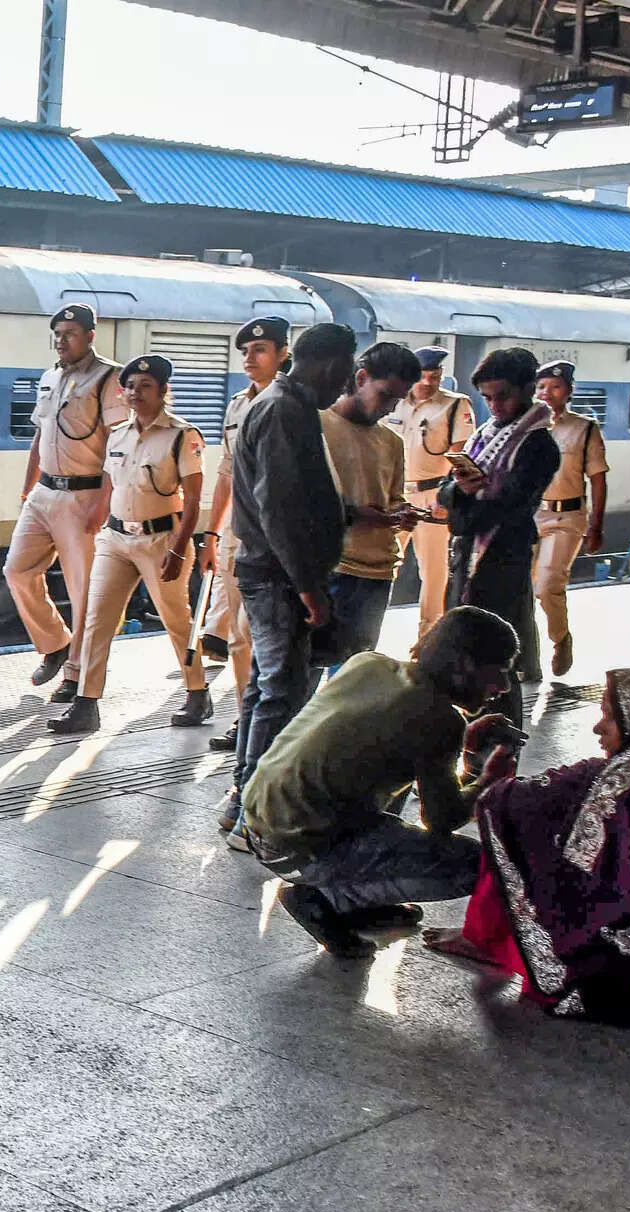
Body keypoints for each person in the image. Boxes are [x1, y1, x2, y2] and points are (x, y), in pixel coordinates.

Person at [428, 667, 630, 1067]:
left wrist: (485, 776)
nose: (597, 728)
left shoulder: (625, 785)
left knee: (509, 811)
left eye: (609, 715)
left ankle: (489, 939)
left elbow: (505, 804)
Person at [244, 606, 522, 958]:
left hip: (259, 824)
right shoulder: (438, 719)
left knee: (388, 787)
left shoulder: (369, 664)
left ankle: (356, 901)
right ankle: (328, 898)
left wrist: (462, 746)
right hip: (300, 847)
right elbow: (441, 821)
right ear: (465, 664)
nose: (505, 686)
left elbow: (370, 745)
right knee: (478, 863)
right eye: (499, 671)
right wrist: (487, 782)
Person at [221, 323, 356, 843]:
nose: (344, 385)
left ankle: (241, 800)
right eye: (344, 372)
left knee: (263, 689)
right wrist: (308, 587)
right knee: (280, 693)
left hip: (271, 572)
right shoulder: (284, 409)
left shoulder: (283, 403)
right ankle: (257, 816)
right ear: (326, 364)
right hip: (278, 577)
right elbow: (280, 506)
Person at [47, 354, 211, 734]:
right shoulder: (118, 433)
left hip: (161, 540)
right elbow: (110, 483)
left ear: (164, 391)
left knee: (175, 619)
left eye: (146, 387)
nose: (135, 393)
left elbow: (193, 500)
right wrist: (100, 520)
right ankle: (86, 704)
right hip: (117, 538)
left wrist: (178, 548)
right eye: (131, 387)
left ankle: (197, 692)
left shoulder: (182, 436)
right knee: (96, 617)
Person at [6, 303, 128, 702]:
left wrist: (105, 501)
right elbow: (40, 436)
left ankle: (75, 676)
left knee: (84, 592)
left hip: (85, 494)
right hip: (44, 493)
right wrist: (27, 487)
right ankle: (56, 642)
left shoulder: (109, 378)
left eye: (70, 333)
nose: (61, 340)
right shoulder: (50, 377)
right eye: (57, 333)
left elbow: (120, 444)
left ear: (90, 336)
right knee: (17, 571)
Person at [442, 346, 561, 724]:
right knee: (467, 653)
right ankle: (475, 741)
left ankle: (500, 746)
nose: (494, 406)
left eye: (503, 396)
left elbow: (511, 505)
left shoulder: (539, 444)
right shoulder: (485, 434)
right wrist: (460, 490)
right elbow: (448, 490)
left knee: (492, 659)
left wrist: (462, 515)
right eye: (488, 398)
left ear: (529, 389)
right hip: (468, 555)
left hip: (502, 558)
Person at [198, 316, 290, 752]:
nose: (250, 359)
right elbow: (225, 472)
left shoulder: (294, 403)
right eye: (246, 352)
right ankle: (245, 718)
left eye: (260, 351)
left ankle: (270, 722)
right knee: (237, 636)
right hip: (240, 532)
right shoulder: (237, 404)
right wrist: (211, 534)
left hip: (277, 535)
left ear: (283, 354)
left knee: (260, 633)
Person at [310, 342, 421, 670]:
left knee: (352, 675)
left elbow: (394, 498)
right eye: (386, 395)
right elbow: (302, 499)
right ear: (361, 378)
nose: (390, 407)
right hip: (331, 567)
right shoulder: (316, 426)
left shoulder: (391, 442)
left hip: (378, 571)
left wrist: (402, 513)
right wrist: (356, 515)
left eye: (398, 400)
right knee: (308, 673)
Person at [382, 345, 474, 632]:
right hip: (395, 493)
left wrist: (447, 496)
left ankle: (428, 638)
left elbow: (459, 455)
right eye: (423, 376)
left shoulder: (456, 405)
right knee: (383, 564)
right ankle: (368, 633)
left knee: (433, 572)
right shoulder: (394, 402)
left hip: (434, 494)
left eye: (434, 376)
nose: (428, 382)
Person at [530, 360, 609, 679]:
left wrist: (596, 525)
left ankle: (560, 639)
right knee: (521, 587)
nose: (547, 393)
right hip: (532, 514)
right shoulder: (529, 426)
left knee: (548, 584)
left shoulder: (584, 428)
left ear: (569, 392)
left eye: (556, 387)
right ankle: (524, 654)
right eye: (541, 387)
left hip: (568, 516)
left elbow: (599, 479)